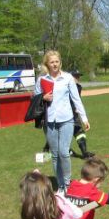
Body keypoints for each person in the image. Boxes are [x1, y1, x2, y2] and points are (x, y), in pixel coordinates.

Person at [34, 51, 89, 192]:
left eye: (56, 61)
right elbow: (35, 98)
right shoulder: (41, 79)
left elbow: (76, 99)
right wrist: (43, 97)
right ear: (47, 64)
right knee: (55, 155)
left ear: (60, 62)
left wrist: (84, 118)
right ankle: (60, 186)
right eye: (52, 62)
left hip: (66, 120)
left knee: (64, 153)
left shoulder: (68, 78)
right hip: (49, 121)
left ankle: (67, 184)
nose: (54, 64)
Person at [68, 70, 93, 159]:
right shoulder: (65, 86)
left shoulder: (78, 87)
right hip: (65, 115)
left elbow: (77, 100)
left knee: (79, 132)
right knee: (63, 134)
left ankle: (84, 152)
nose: (78, 78)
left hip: (74, 114)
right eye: (75, 76)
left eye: (78, 76)